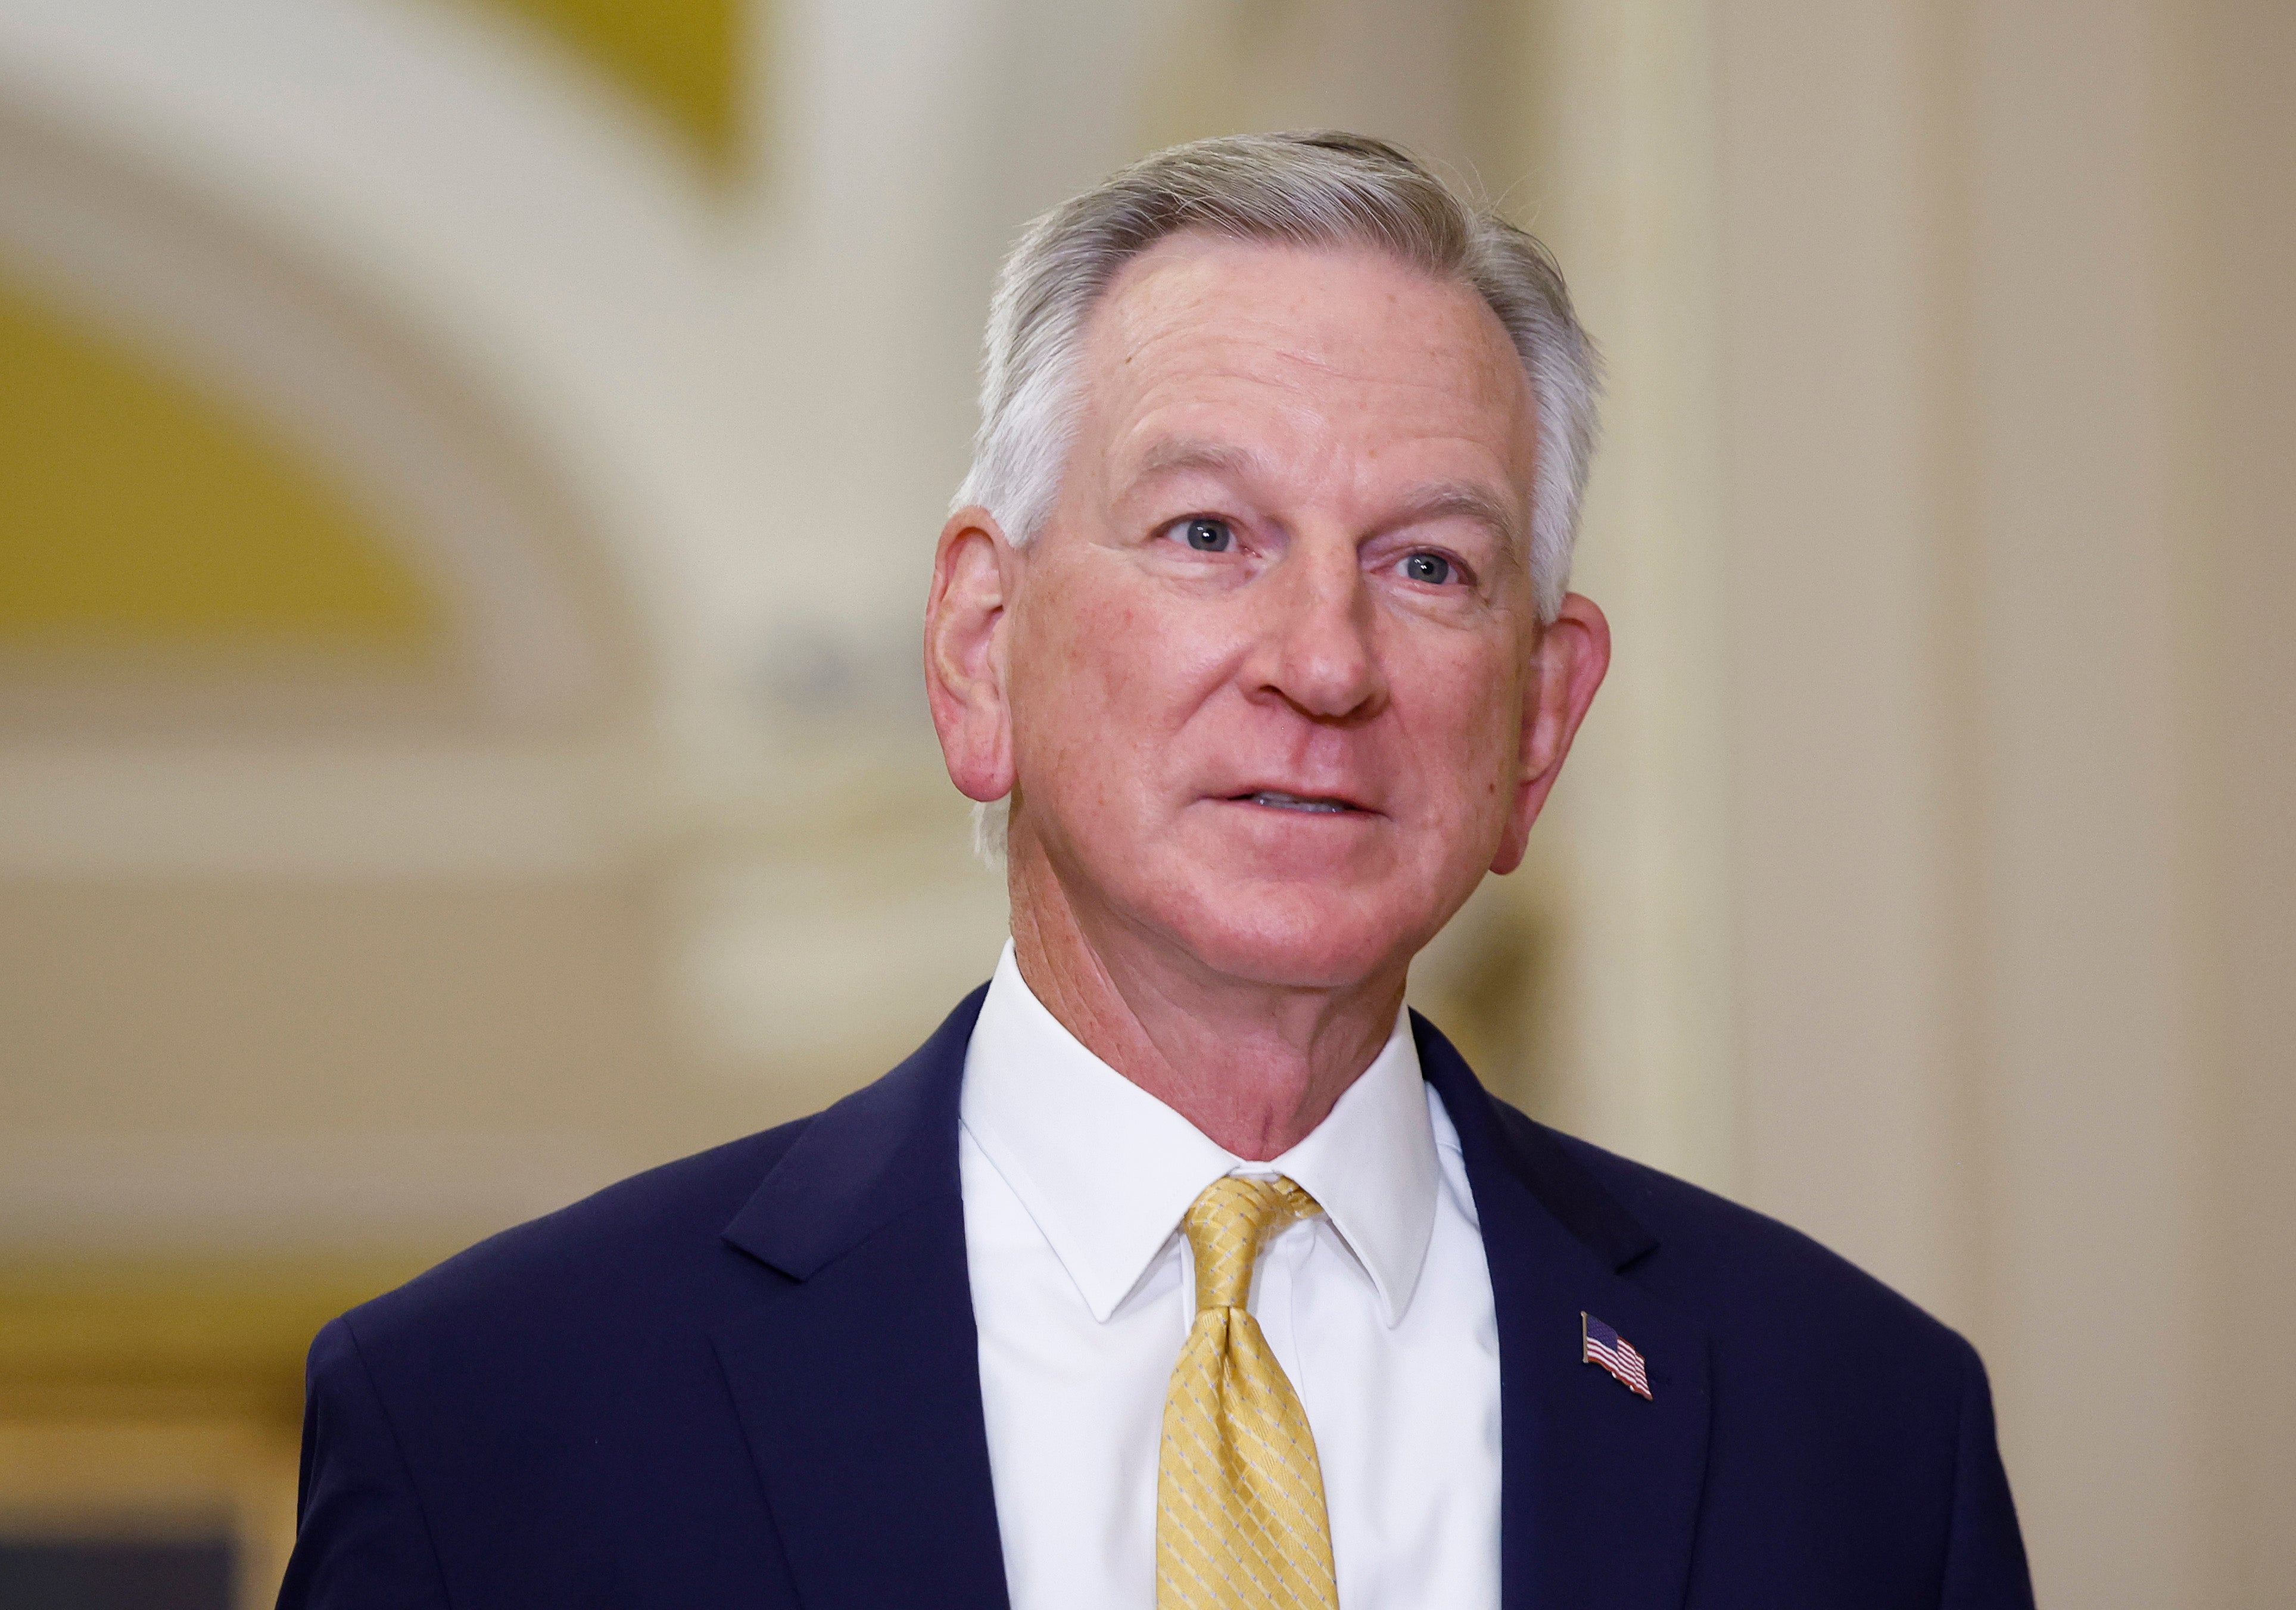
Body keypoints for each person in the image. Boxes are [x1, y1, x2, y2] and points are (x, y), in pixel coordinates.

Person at [279, 132, 2032, 1609]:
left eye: (1428, 567)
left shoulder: (1859, 1433)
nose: (1322, 662)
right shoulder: (499, 1424)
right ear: (980, 647)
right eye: (1209, 536)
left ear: (1540, 721)